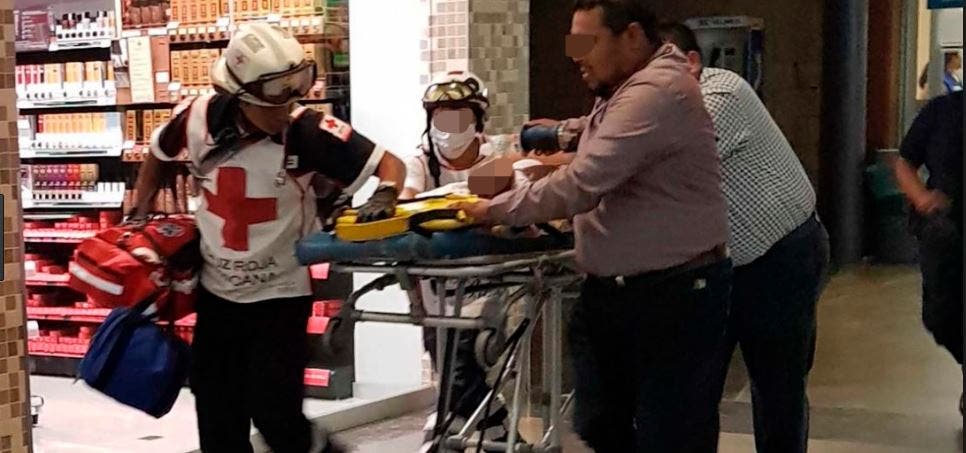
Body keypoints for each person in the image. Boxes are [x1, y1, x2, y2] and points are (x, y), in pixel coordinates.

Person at [460, 1, 732, 451]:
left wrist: (494, 209)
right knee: (600, 426)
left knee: (671, 435)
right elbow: (599, 134)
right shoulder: (626, 86)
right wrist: (556, 135)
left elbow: (583, 182)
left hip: (673, 294)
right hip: (615, 292)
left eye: (587, 42)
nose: (577, 56)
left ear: (631, 36)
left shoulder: (658, 90)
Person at [134, 23, 406, 453]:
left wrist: (386, 193)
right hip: (217, 295)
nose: (287, 107)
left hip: (281, 296)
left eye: (296, 91)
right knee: (217, 413)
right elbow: (158, 153)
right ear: (239, 95)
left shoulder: (308, 130)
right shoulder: (195, 117)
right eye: (274, 100)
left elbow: (390, 164)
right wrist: (139, 211)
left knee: (276, 414)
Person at [657, 22, 830, 453]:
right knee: (695, 389)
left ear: (692, 64)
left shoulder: (723, 93)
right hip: (719, 266)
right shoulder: (654, 111)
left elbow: (666, 161)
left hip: (782, 258)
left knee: (777, 391)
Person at [402, 70, 526, 451]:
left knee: (462, 365)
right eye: (442, 118)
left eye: (459, 117)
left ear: (477, 120)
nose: (450, 129)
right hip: (434, 286)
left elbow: (516, 203)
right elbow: (407, 203)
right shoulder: (422, 162)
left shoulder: (498, 160)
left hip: (484, 282)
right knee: (449, 367)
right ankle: (496, 432)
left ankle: (452, 428)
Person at [893, 90, 963, 412]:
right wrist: (921, 198)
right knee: (940, 316)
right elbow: (905, 161)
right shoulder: (943, 110)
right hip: (945, 231)